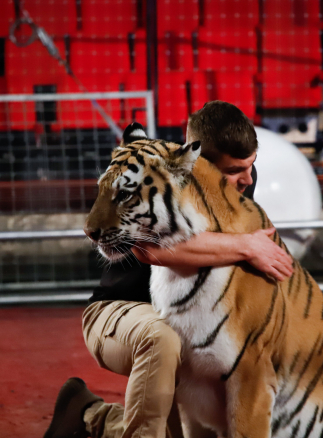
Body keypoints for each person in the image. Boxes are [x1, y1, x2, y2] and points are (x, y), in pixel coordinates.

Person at [43, 101, 294, 438]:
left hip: (189, 324)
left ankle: (90, 413)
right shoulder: (162, 177)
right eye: (235, 170)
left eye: (251, 166)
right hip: (124, 310)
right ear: (200, 166)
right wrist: (248, 246)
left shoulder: (241, 180)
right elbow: (150, 250)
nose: (248, 179)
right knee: (164, 339)